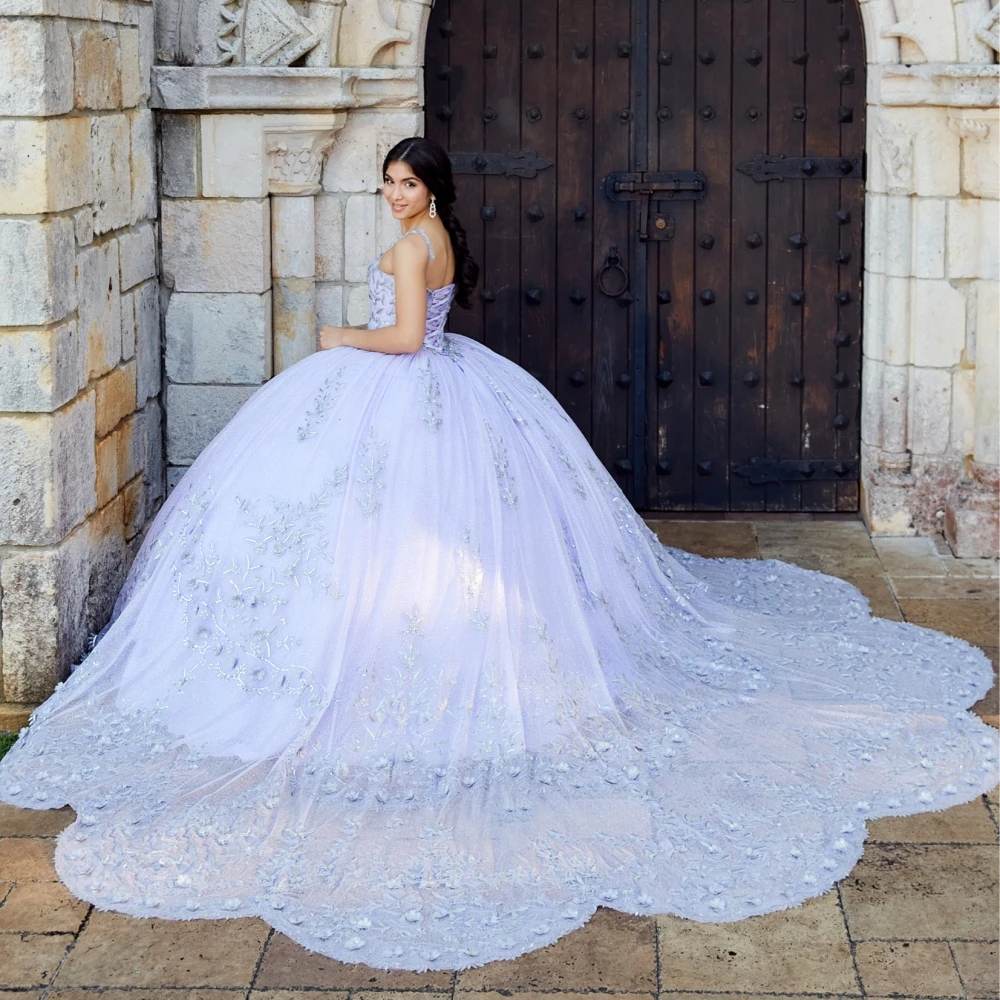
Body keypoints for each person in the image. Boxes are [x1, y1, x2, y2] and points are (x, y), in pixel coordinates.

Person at [1, 136, 995, 973]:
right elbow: (430, 331)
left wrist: (335, 332)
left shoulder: (407, 250)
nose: (394, 193)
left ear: (429, 190)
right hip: (447, 391)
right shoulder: (432, 240)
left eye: (406, 182)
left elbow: (399, 339)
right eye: (387, 180)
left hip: (400, 388)